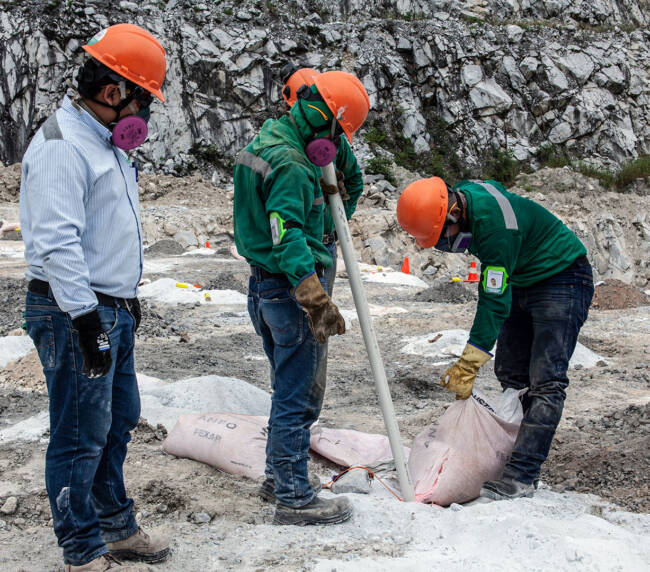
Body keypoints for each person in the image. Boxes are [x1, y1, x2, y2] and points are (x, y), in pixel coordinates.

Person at [19, 24, 169, 571]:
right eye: (144, 101)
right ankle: (82, 549)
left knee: (118, 418)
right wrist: (87, 323)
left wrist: (120, 305)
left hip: (111, 307)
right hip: (72, 310)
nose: (146, 115)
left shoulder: (102, 141)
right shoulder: (63, 145)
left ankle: (115, 525)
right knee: (80, 433)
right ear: (113, 93)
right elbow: (56, 244)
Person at [397, 177, 594, 500]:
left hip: (562, 277)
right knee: (512, 376)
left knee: (546, 381)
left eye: (442, 237)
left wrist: (469, 362)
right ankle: (508, 456)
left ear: (455, 214)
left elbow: (493, 301)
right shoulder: (464, 196)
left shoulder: (495, 232)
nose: (445, 246)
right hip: (523, 275)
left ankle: (522, 476)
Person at [233, 70, 370, 525]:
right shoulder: (293, 163)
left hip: (262, 286)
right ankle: (294, 496)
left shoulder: (271, 137)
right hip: (292, 289)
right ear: (326, 120)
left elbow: (345, 179)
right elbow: (286, 234)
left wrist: (332, 221)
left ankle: (277, 476)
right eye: (340, 131)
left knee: (285, 386)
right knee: (299, 395)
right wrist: (315, 299)